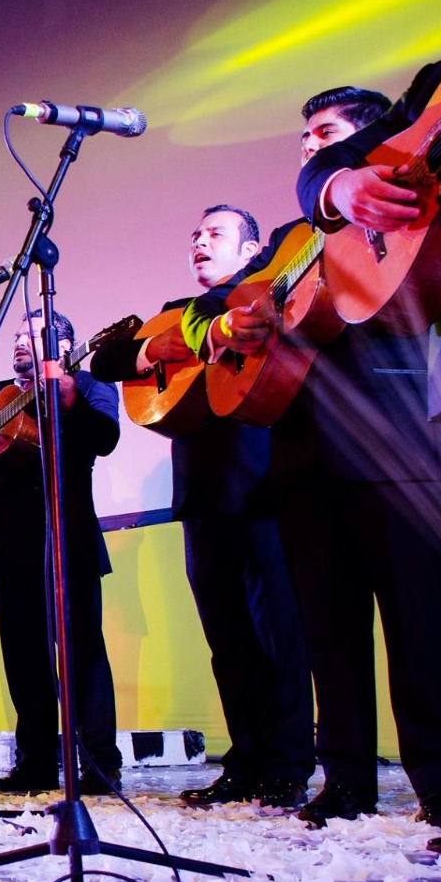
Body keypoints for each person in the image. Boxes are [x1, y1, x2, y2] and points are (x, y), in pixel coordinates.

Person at [275, 67, 441, 831]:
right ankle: (345, 780)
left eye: (327, 132)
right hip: (302, 453)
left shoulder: (429, 201)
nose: (311, 148)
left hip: (399, 441)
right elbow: (313, 182)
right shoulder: (295, 239)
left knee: (420, 630)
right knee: (329, 630)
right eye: (308, 137)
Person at [91, 205, 314, 809]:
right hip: (200, 494)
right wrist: (161, 351)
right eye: (194, 235)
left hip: (264, 484)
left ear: (250, 251)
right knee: (228, 639)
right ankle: (246, 760)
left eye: (215, 234)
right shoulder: (181, 312)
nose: (199, 243)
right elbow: (108, 361)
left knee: (279, 633)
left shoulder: (270, 293)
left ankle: (290, 761)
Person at [0, 311, 122, 793]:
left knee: (81, 654)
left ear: (66, 344)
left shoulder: (88, 381)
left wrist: (69, 399)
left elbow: (105, 440)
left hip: (67, 537)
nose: (20, 343)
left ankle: (99, 762)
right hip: (9, 545)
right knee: (23, 658)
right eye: (16, 337)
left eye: (32, 337)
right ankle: (35, 762)